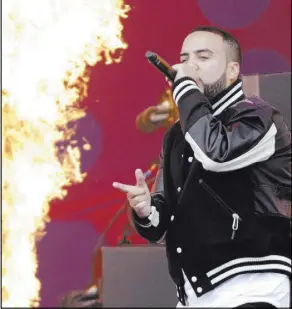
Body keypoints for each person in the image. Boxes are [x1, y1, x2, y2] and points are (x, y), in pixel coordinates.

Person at [113, 26, 291, 308]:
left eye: (203, 57)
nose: (190, 66)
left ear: (233, 71)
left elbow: (216, 153)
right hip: (195, 293)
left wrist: (185, 89)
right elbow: (163, 222)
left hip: (255, 285)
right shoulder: (176, 135)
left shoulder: (259, 116)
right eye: (184, 59)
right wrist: (146, 210)